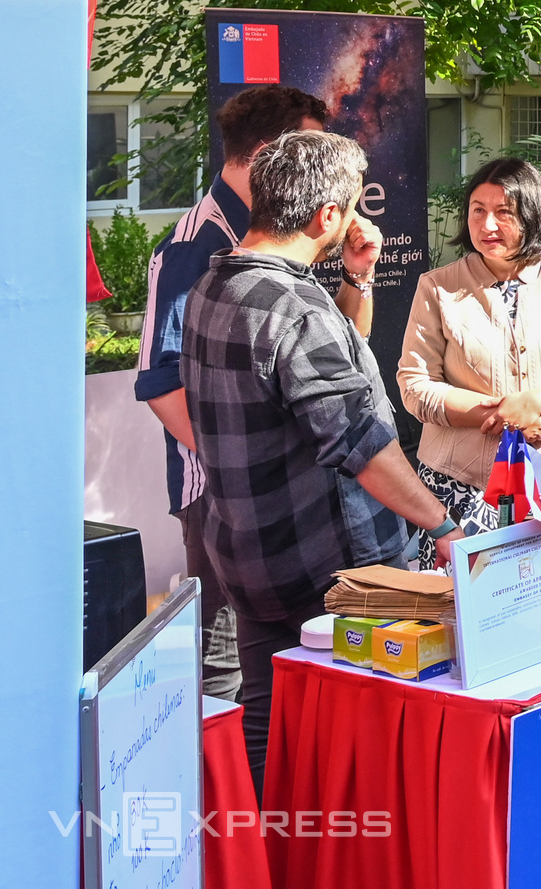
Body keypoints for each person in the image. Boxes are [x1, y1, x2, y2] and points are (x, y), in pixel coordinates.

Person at [182, 131, 463, 791]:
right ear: (325, 215)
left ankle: (267, 843)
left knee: (268, 725)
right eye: (351, 205)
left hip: (250, 556)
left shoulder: (214, 284)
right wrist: (442, 524)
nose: (357, 218)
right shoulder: (294, 308)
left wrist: (357, 277)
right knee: (364, 742)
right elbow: (359, 441)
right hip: (332, 569)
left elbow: (328, 361)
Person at [136, 84, 365, 701]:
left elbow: (337, 357)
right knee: (226, 664)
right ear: (269, 153)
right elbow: (159, 382)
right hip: (223, 492)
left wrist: (357, 277)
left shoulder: (278, 229)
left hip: (287, 489)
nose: (321, 164)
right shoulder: (195, 244)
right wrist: (234, 459)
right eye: (310, 147)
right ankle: (229, 766)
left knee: (300, 655)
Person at [398, 157, 541, 556]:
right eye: (478, 211)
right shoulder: (437, 286)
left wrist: (534, 403)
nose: (487, 225)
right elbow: (415, 385)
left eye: (504, 212)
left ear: (532, 216)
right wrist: (506, 417)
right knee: (462, 594)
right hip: (462, 483)